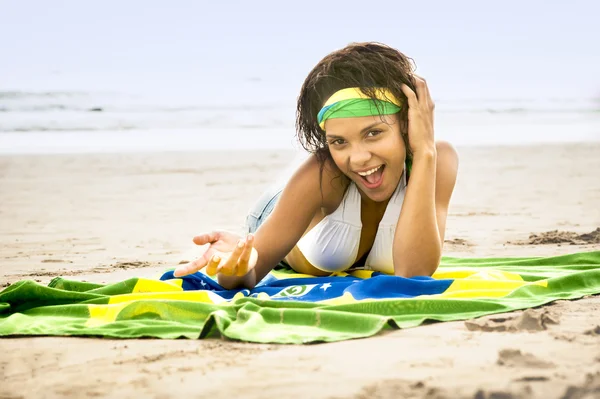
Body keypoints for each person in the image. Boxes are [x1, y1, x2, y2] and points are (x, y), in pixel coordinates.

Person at [174, 42, 459, 290]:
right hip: (279, 208)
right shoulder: (321, 174)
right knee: (318, 172)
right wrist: (233, 268)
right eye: (339, 141)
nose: (358, 157)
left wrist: (424, 153)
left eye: (373, 133)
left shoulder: (437, 159)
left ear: (409, 123)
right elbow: (247, 275)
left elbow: (413, 274)